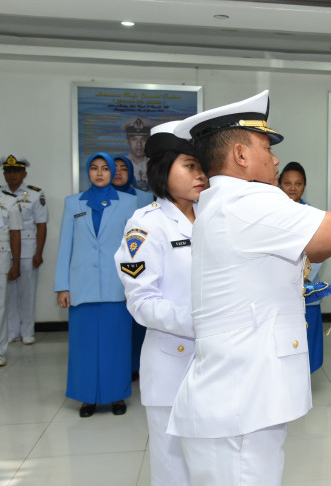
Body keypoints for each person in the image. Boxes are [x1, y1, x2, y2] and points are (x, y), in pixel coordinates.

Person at [166, 90, 331, 486]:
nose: (273, 159)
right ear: (239, 155)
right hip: (238, 412)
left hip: (238, 404)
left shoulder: (222, 203)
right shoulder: (247, 203)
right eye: (265, 148)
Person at [114, 121, 207, 486]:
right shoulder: (146, 225)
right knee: (173, 470)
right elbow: (141, 302)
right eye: (190, 166)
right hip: (173, 362)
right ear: (162, 170)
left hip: (217, 361)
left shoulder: (213, 218)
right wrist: (200, 321)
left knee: (213, 466)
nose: (201, 175)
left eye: (202, 167)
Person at [54, 153, 138, 417]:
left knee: (116, 345)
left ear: (112, 171)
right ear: (87, 172)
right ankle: (87, 398)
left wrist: (134, 285)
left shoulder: (129, 202)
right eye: (93, 168)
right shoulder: (72, 203)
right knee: (84, 347)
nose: (99, 173)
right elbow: (65, 245)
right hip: (82, 287)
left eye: (104, 168)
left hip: (117, 287)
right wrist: (62, 286)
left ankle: (116, 396)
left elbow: (133, 249)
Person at [278, 160, 331, 373]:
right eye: (287, 183)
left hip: (304, 289)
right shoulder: (272, 213)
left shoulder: (313, 216)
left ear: (304, 185)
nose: (292, 188)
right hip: (276, 291)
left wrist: (302, 279)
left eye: (298, 184)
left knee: (306, 341)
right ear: (278, 184)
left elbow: (319, 254)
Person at [112, 154, 155, 380]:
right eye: (114, 168)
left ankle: (139, 366)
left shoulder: (145, 197)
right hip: (115, 270)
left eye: (123, 168)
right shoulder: (105, 199)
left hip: (141, 267)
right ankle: (122, 367)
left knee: (139, 322)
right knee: (118, 327)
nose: (118, 172)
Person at [1, 155, 47, 345]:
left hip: (28, 250)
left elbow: (41, 225)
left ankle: (27, 331)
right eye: (8, 172)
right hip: (5, 251)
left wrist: (39, 253)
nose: (12, 175)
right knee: (7, 294)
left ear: (24, 173)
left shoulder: (35, 194)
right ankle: (12, 331)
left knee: (27, 293)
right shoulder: (1, 194)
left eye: (16, 171)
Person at [0, 185, 22, 367]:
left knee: (0, 307)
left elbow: (15, 233)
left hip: (1, 258)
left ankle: (0, 351)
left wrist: (15, 263)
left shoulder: (9, 200)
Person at [122, 116, 154, 191]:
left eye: (143, 139)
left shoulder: (155, 164)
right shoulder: (122, 164)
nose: (138, 144)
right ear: (127, 140)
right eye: (134, 139)